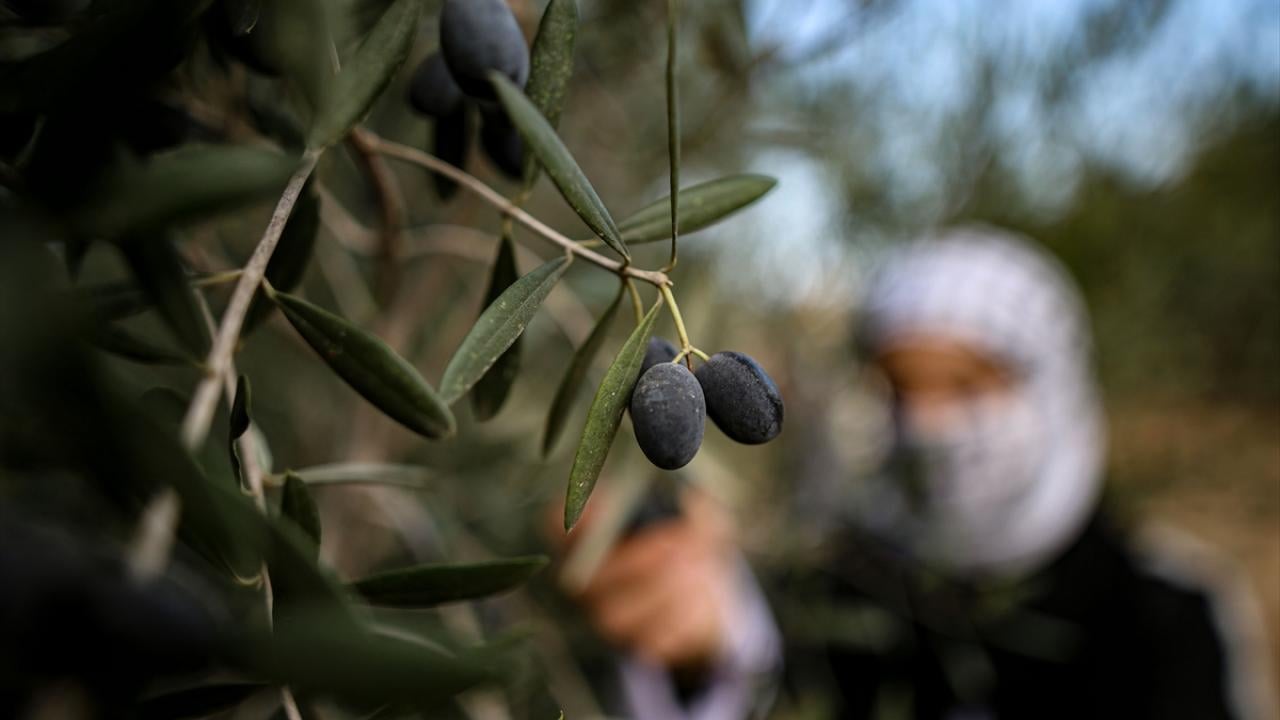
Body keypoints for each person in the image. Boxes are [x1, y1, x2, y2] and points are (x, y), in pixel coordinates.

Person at [561, 227, 1275, 719]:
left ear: (1054, 389)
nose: (928, 425)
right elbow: (756, 665)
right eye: (900, 389)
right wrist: (709, 646)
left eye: (967, 386)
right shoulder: (849, 586)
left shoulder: (1172, 613)